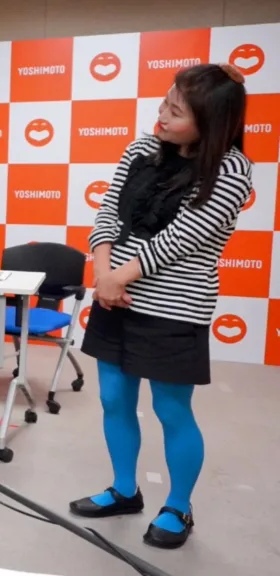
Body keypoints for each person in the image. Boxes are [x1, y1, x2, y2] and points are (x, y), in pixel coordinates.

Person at [69, 63, 251, 550]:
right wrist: (103, 273)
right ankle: (124, 490)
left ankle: (178, 506)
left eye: (176, 111)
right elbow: (108, 214)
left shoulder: (231, 170)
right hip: (115, 297)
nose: (162, 115)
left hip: (173, 308)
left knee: (171, 409)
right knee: (113, 399)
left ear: (209, 123)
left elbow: (181, 238)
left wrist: (117, 278)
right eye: (165, 103)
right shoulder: (141, 149)